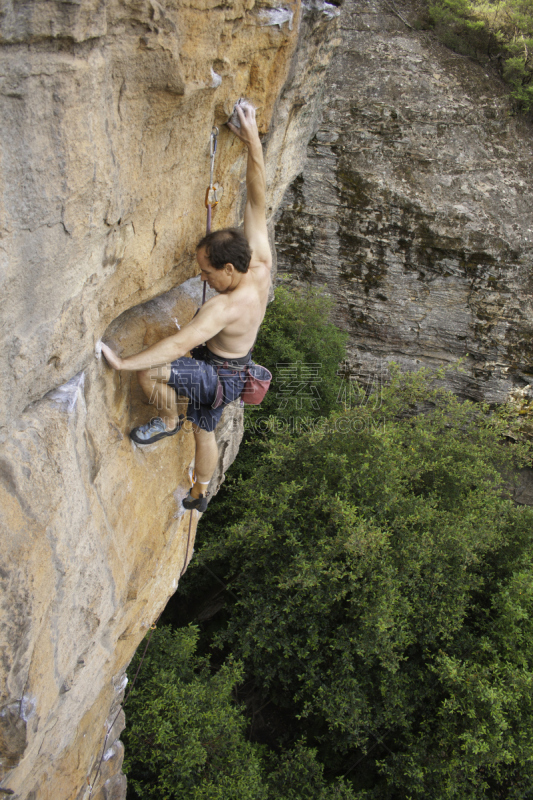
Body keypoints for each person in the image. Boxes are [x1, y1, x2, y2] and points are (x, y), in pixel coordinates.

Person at [101, 103, 272, 512]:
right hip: (232, 373)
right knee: (206, 432)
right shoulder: (261, 264)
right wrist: (252, 140)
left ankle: (167, 420)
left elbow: (178, 347)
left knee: (150, 373)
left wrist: (125, 365)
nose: (203, 279)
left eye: (208, 273)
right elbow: (257, 197)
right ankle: (200, 493)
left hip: (213, 376)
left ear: (229, 268)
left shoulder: (224, 308)